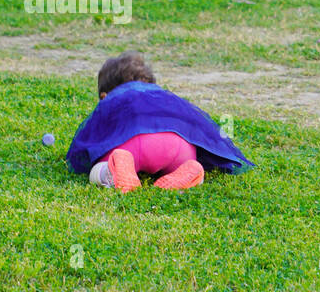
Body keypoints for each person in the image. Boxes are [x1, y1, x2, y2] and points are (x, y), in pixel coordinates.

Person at [67, 51, 252, 192]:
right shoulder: (163, 96)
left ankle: (113, 170)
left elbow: (91, 138)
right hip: (179, 146)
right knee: (186, 163)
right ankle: (192, 169)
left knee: (97, 170)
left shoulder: (113, 99)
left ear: (104, 96)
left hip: (132, 146)